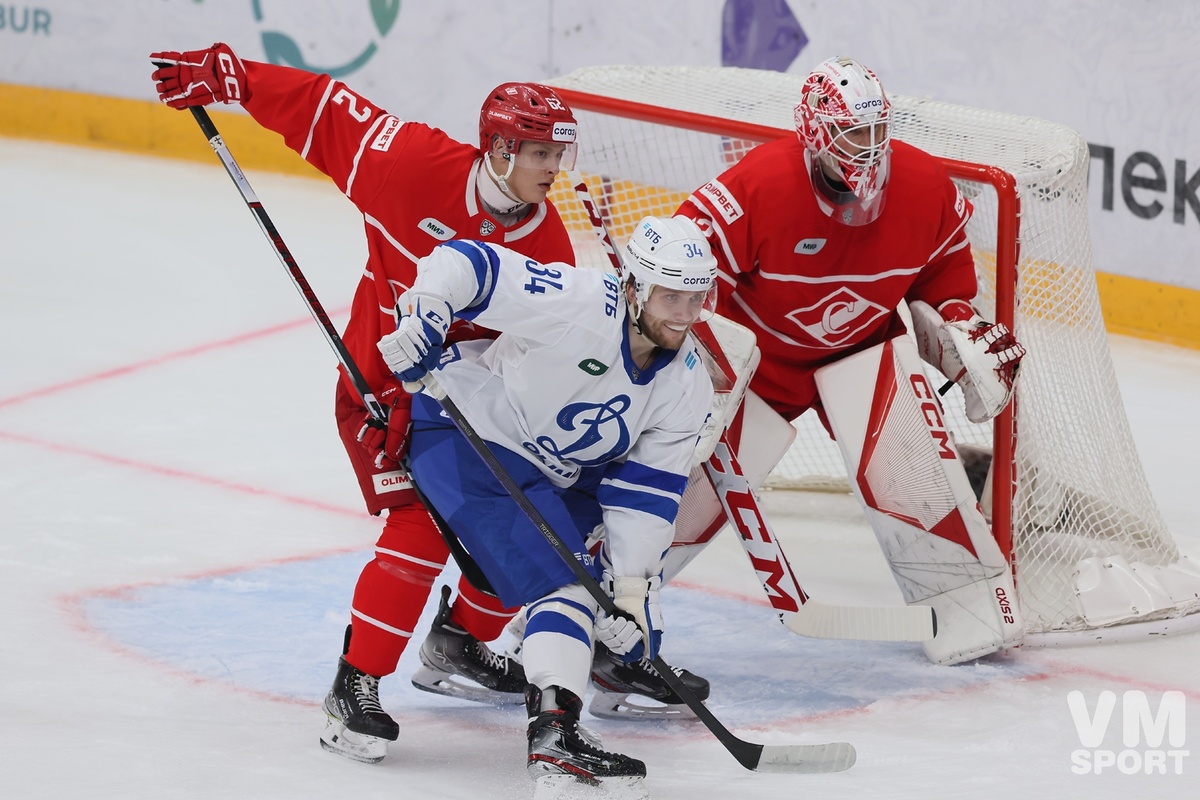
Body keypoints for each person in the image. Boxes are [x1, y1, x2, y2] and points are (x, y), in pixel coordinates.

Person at [147, 43, 708, 763]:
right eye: (538, 152)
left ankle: (458, 645)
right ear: (498, 148)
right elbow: (325, 112)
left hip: (462, 398)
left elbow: (529, 362)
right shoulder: (411, 164)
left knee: (511, 522)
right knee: (418, 523)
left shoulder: (548, 243)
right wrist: (236, 78)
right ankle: (353, 688)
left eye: (557, 154)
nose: (553, 169)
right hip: (380, 384)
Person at [674, 56, 1028, 665]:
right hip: (761, 365)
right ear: (813, 131)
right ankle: (597, 600)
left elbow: (944, 272)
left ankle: (969, 611)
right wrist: (697, 357)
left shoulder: (922, 183)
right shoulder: (757, 183)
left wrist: (959, 327)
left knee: (912, 479)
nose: (867, 150)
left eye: (874, 132)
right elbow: (682, 258)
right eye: (850, 133)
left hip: (863, 352)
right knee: (685, 496)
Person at [378, 215, 717, 790]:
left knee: (592, 586)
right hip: (470, 435)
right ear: (633, 287)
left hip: (561, 473)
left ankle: (552, 714)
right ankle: (556, 733)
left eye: (695, 297)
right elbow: (466, 264)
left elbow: (645, 499)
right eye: (669, 296)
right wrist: (426, 316)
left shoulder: (688, 384)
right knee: (565, 581)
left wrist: (632, 596)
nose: (684, 315)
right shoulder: (579, 302)